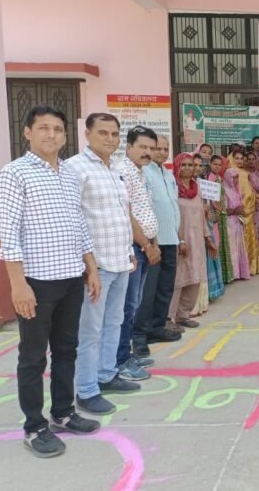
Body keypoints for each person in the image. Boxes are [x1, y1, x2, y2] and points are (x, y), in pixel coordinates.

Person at [0, 105, 101, 457]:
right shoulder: (15, 174)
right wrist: (17, 284)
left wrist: (91, 268)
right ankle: (34, 425)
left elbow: (79, 225)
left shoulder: (69, 174)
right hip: (37, 282)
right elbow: (8, 234)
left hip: (72, 277)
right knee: (32, 357)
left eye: (58, 129)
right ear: (27, 132)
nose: (51, 135)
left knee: (66, 350)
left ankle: (63, 412)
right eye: (43, 128)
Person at [65, 122, 146, 415]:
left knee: (115, 322)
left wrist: (128, 251)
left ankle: (107, 374)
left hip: (120, 261)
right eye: (103, 133)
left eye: (114, 134)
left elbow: (121, 216)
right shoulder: (75, 168)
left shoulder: (115, 169)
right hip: (95, 266)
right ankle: (86, 390)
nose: (110, 139)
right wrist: (88, 266)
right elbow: (73, 219)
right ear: (87, 134)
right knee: (91, 330)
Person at [115, 124, 161, 382]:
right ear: (129, 147)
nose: (148, 152)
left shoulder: (141, 172)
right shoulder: (123, 172)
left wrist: (153, 243)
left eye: (151, 148)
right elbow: (128, 215)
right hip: (133, 248)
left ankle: (126, 354)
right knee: (126, 307)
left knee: (133, 305)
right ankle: (121, 360)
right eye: (142, 147)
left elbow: (145, 212)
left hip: (144, 245)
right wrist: (146, 245)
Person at [134, 135, 182, 360]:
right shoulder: (145, 174)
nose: (162, 152)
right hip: (154, 241)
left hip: (170, 239)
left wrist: (178, 236)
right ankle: (140, 336)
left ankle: (157, 326)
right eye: (157, 149)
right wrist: (150, 241)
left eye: (165, 148)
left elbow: (172, 206)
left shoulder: (168, 174)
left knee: (165, 287)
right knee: (148, 290)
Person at [169, 153, 216, 329]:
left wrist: (208, 237)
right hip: (181, 242)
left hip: (197, 242)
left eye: (190, 165)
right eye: (184, 165)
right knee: (178, 280)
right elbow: (171, 217)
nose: (188, 168)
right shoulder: (173, 189)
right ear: (177, 167)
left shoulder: (197, 189)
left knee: (195, 278)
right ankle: (169, 318)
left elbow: (202, 217)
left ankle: (183, 315)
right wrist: (179, 239)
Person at [228, 150, 259, 275]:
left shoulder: (245, 173)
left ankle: (248, 268)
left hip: (248, 210)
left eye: (241, 158)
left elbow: (249, 192)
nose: (239, 161)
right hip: (236, 212)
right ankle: (238, 270)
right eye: (236, 158)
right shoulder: (229, 173)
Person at [205, 155, 228, 299]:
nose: (217, 167)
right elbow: (212, 198)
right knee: (215, 243)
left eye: (220, 164)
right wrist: (218, 210)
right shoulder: (211, 178)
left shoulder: (219, 178)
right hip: (214, 215)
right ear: (210, 164)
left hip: (220, 213)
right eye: (215, 164)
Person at [222, 168, 251, 280]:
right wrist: (235, 211)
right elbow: (224, 209)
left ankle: (239, 273)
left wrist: (240, 209)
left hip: (237, 221)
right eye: (233, 177)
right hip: (229, 222)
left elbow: (239, 204)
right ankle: (233, 274)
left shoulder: (236, 189)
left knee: (239, 246)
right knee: (232, 247)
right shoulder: (224, 189)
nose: (235, 179)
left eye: (237, 177)